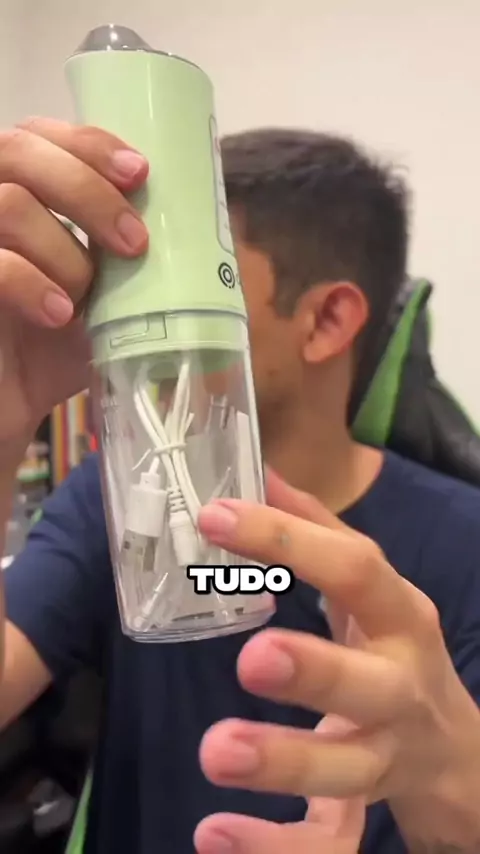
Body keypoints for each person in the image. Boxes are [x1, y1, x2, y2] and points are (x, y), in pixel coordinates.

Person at [0, 119, 479, 854]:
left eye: (198, 273)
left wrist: (451, 790)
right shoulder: (114, 496)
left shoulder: (464, 542)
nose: (146, 307)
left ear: (326, 320)